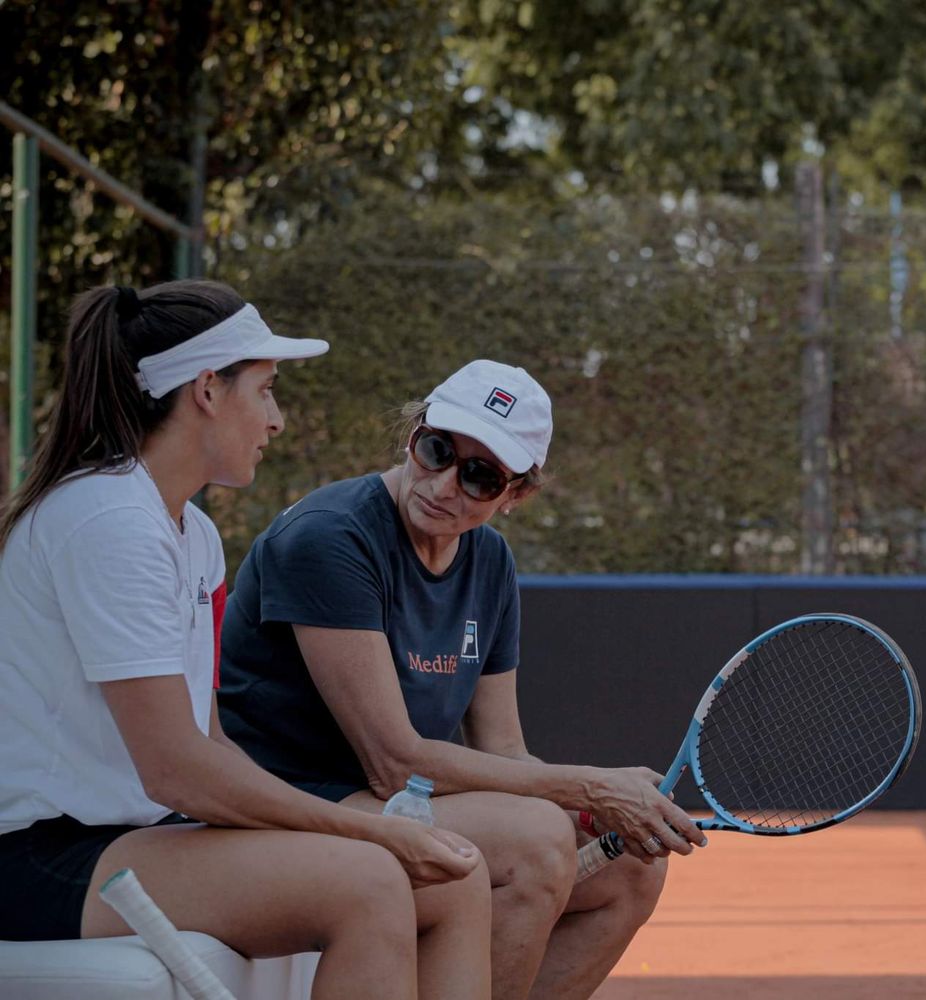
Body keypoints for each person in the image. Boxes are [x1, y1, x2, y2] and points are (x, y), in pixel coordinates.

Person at [0, 281, 492, 1000]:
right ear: (207, 390)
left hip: (131, 835)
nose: (276, 419)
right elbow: (175, 770)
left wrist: (361, 829)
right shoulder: (104, 520)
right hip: (38, 857)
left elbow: (208, 742)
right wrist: (368, 831)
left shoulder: (190, 532)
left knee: (453, 877)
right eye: (264, 391)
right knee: (367, 884)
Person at [217, 359, 707, 1000]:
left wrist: (592, 806)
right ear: (414, 432)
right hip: (295, 800)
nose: (445, 484)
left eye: (479, 477)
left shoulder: (490, 561)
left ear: (515, 494)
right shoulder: (330, 538)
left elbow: (502, 748)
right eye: (438, 449)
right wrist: (588, 786)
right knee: (534, 843)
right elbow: (394, 762)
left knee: (633, 871)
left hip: (392, 801)